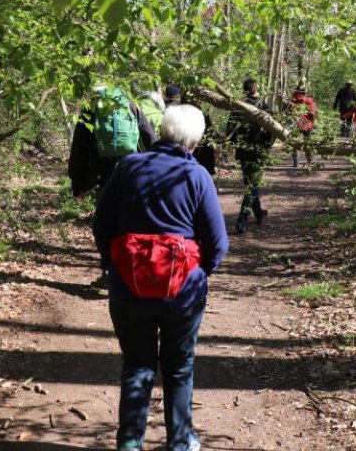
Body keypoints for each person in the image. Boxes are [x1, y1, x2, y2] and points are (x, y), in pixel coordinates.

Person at [93, 105, 229, 451]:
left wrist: (114, 267)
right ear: (194, 142)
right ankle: (180, 443)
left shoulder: (127, 167)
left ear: (162, 131)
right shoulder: (196, 175)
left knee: (137, 364)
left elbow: (101, 225)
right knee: (179, 366)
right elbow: (218, 243)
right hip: (182, 293)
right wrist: (199, 275)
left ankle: (129, 443)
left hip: (128, 286)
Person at [68, 85, 159, 288]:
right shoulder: (130, 105)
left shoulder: (91, 110)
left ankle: (109, 273)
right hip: (134, 172)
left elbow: (79, 149)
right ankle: (137, 272)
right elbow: (150, 137)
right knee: (134, 221)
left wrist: (78, 183)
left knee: (105, 224)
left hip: (105, 175)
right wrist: (160, 171)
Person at [226, 79, 273, 234]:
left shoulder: (238, 106)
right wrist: (267, 145)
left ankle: (259, 212)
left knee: (251, 184)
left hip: (244, 151)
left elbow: (230, 129)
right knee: (252, 186)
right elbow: (272, 129)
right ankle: (242, 219)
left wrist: (234, 145)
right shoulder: (263, 105)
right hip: (257, 151)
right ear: (255, 89)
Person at [286, 85, 316, 167]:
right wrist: (312, 121)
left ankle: (296, 161)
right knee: (307, 142)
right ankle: (310, 160)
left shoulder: (293, 100)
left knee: (295, 142)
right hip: (306, 124)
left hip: (295, 123)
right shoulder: (309, 100)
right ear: (306, 92)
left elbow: (288, 112)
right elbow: (312, 114)